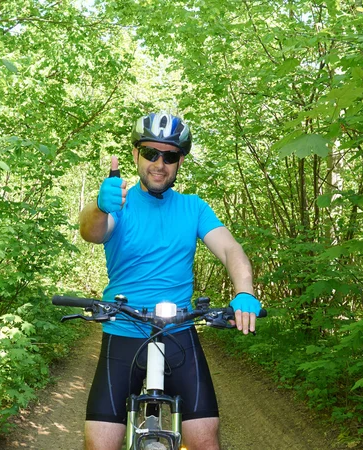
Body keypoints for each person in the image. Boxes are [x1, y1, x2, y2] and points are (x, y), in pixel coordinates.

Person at [78, 112, 261, 450]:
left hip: (178, 332)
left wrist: (244, 292)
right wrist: (98, 207)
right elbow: (92, 232)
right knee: (98, 444)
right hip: (123, 330)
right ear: (135, 155)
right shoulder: (119, 203)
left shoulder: (194, 208)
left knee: (206, 440)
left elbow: (230, 249)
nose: (159, 163)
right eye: (151, 153)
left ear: (179, 161)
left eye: (170, 156)